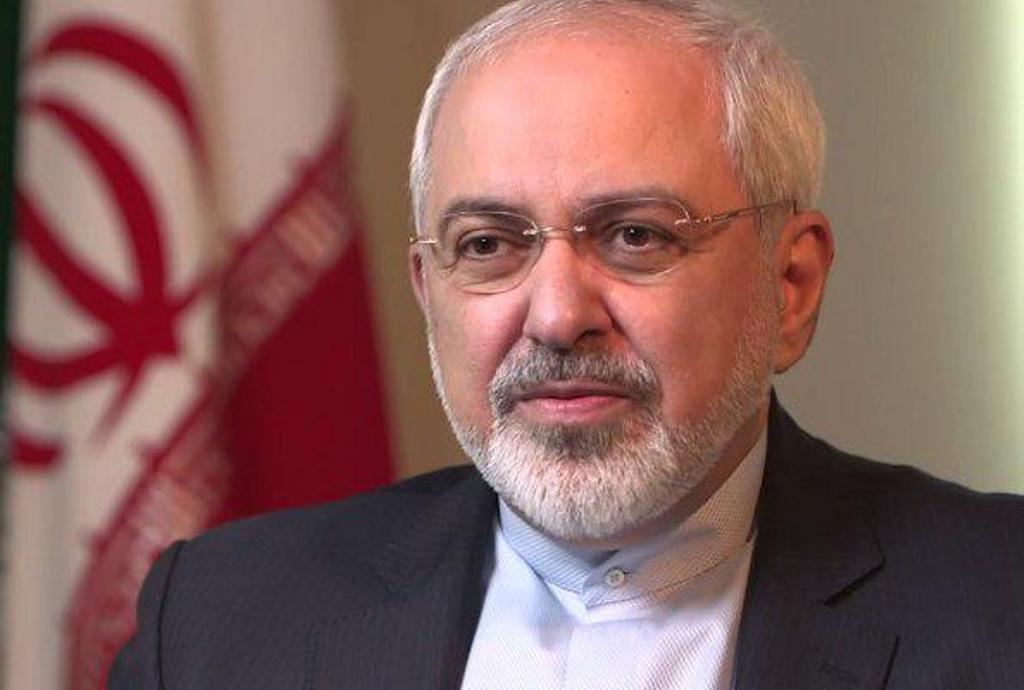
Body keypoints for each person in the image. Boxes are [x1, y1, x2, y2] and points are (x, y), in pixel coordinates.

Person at [110, 1, 1024, 688]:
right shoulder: (217, 626)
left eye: (636, 235)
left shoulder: (1000, 607)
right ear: (429, 291)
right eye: (487, 245)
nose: (555, 316)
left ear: (790, 286)